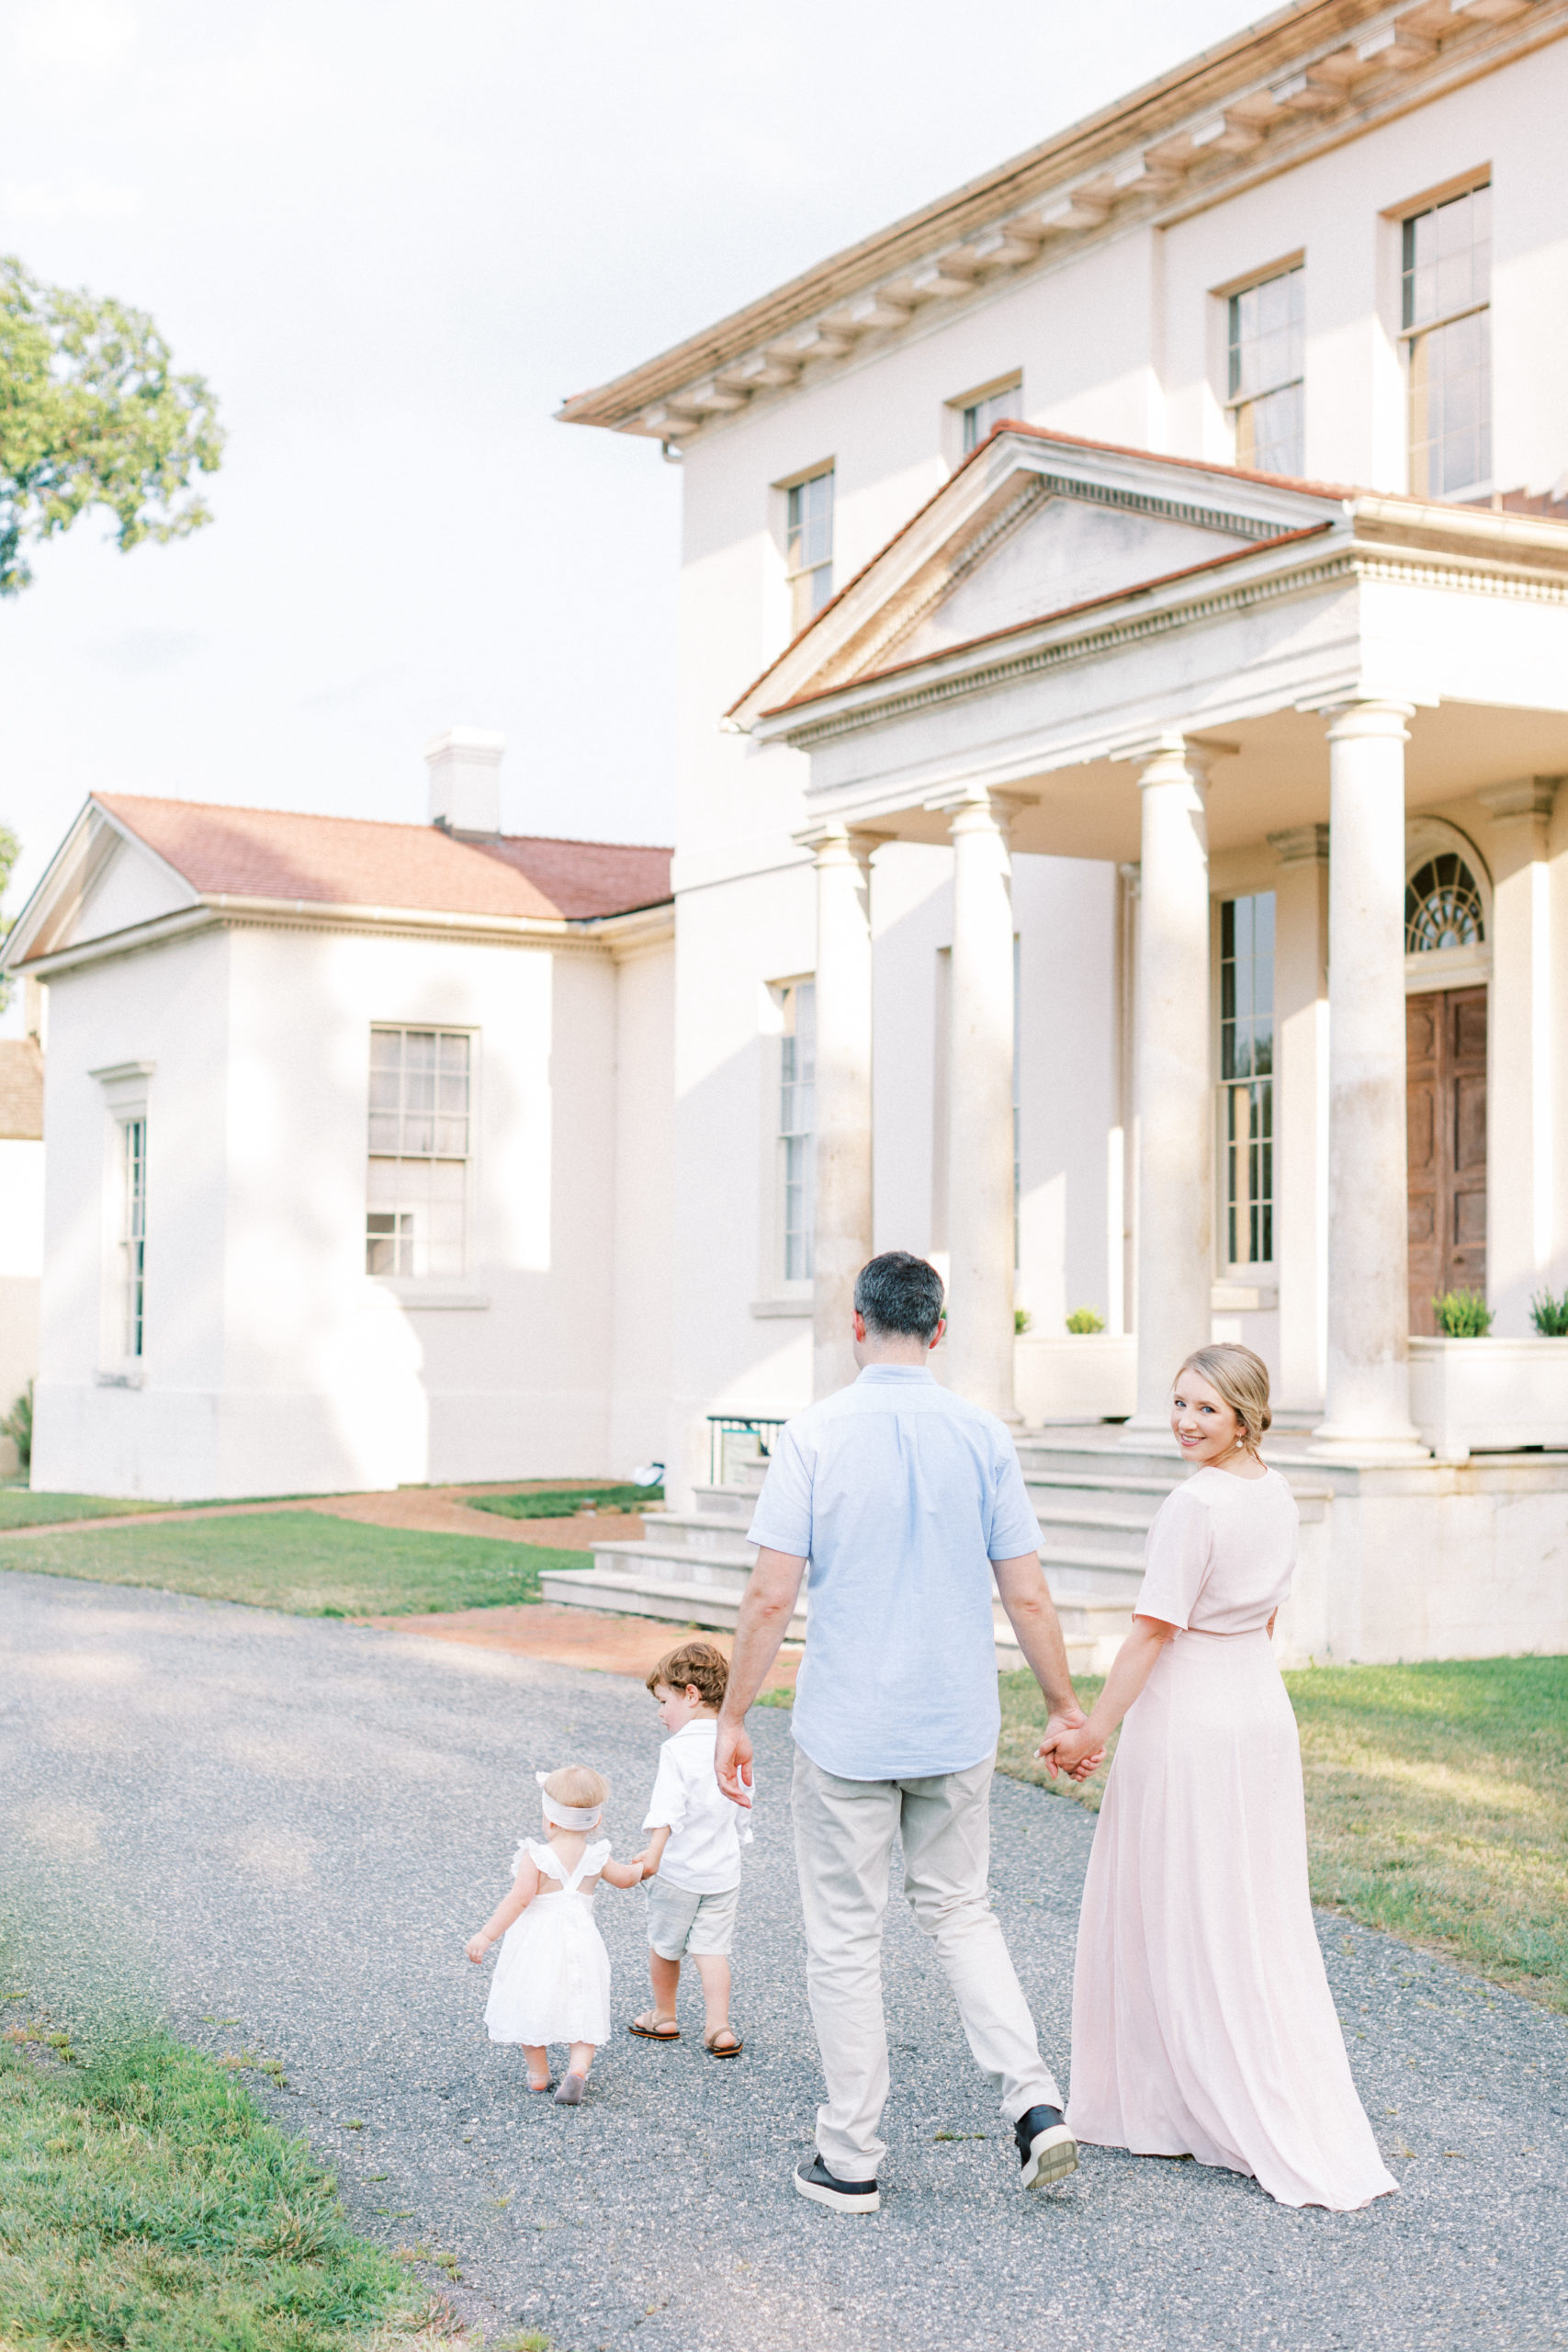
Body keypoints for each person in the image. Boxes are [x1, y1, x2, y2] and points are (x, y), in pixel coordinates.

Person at [715, 1250, 1089, 2213]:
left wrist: (733, 1714)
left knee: (845, 1937)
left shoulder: (813, 1434)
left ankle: (851, 2156)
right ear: (940, 1328)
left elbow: (768, 1595)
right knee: (962, 1912)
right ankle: (1036, 2103)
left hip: (848, 1729)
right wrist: (1063, 1706)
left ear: (855, 1324)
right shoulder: (982, 1435)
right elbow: (1030, 1591)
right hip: (953, 1721)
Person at [1042, 1345, 1399, 2211]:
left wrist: (1091, 1728)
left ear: (1243, 1414)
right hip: (1256, 1708)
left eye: (1203, 1408)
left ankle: (1171, 2102)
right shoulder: (1273, 1492)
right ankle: (1179, 2093)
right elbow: (1264, 1617)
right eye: (1176, 1403)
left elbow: (1150, 1635)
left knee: (1175, 1896)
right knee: (1247, 1904)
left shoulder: (1192, 1505)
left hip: (1191, 1716)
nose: (1183, 1422)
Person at [466, 1763, 645, 2106]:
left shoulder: (536, 1857)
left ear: (548, 1820)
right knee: (582, 2003)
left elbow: (517, 1901)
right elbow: (626, 1879)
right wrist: (645, 1865)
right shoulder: (597, 1856)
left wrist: (486, 1936)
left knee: (532, 2000)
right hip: (582, 1945)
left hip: (537, 1947)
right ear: (596, 1821)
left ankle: (538, 2074)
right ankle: (577, 2070)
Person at [626, 1639, 750, 2058]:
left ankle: (664, 2015)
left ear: (691, 1696)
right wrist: (739, 1841)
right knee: (713, 1950)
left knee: (665, 1945)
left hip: (678, 1872)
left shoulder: (677, 1750)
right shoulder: (732, 1743)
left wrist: (653, 1854)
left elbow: (666, 1808)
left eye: (664, 1702)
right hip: (722, 1873)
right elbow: (743, 1799)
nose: (661, 1713)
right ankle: (719, 2026)